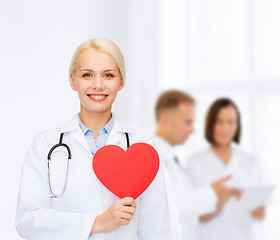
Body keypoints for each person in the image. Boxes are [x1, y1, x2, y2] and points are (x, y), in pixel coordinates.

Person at [15, 38, 172, 240]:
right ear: (73, 81)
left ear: (121, 82)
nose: (98, 85)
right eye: (87, 75)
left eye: (108, 75)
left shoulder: (143, 147)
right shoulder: (44, 145)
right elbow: (27, 221)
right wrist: (98, 223)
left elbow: (157, 230)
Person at [153, 90, 231, 240]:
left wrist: (218, 199)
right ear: (164, 119)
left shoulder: (173, 157)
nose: (192, 130)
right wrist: (213, 191)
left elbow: (187, 207)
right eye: (187, 122)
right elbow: (168, 211)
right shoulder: (152, 157)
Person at [187, 97, 265, 240]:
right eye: (219, 122)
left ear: (237, 126)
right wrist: (227, 193)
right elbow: (200, 215)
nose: (225, 128)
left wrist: (253, 206)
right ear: (210, 124)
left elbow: (259, 215)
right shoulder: (195, 162)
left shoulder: (251, 162)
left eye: (231, 122)